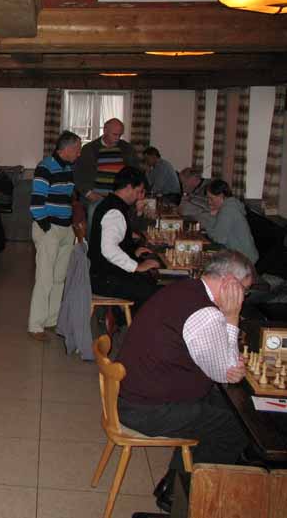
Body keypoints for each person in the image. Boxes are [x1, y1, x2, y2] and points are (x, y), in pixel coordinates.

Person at [117, 250, 253, 513]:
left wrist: (227, 365)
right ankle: (190, 500)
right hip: (147, 409)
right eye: (244, 291)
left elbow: (223, 367)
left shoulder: (185, 288)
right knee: (236, 428)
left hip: (135, 394)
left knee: (220, 404)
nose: (244, 298)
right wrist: (232, 317)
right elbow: (224, 372)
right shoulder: (206, 314)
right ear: (229, 282)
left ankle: (172, 488)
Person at [28, 131, 82, 341]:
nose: (79, 154)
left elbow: (68, 199)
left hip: (65, 229)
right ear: (66, 149)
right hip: (49, 229)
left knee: (59, 278)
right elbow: (36, 203)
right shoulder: (45, 167)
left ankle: (51, 320)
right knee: (45, 278)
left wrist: (71, 224)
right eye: (77, 150)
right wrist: (47, 228)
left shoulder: (68, 168)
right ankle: (36, 326)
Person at [87, 167, 159, 311]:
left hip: (103, 274)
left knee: (148, 280)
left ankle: (123, 318)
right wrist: (136, 267)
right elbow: (109, 249)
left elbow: (116, 241)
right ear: (128, 188)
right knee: (153, 290)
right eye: (138, 191)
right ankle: (129, 321)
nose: (139, 196)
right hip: (105, 279)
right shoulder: (114, 212)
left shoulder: (110, 203)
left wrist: (133, 251)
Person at [75, 118, 139, 211]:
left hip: (120, 199)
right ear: (105, 130)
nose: (117, 138)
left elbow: (136, 174)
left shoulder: (127, 149)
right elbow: (78, 175)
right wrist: (88, 193)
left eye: (120, 135)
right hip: (95, 198)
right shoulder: (89, 149)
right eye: (115, 134)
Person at [196, 179, 259, 265]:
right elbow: (218, 230)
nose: (209, 202)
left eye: (211, 198)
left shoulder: (228, 210)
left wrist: (210, 219)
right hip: (239, 255)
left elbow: (218, 239)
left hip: (244, 260)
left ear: (221, 196)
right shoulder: (229, 206)